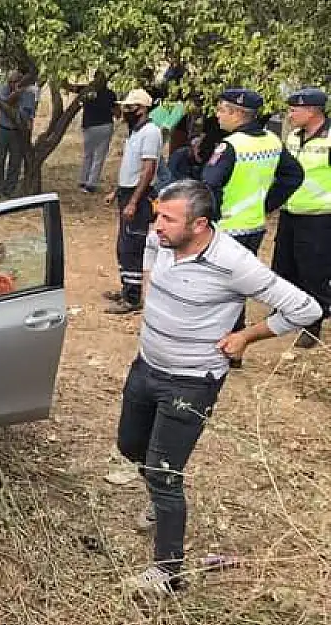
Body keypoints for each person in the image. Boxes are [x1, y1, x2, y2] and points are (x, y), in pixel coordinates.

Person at [117, 179, 321, 598]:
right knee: (130, 446)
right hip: (147, 367)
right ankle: (158, 501)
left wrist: (247, 336)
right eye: (158, 215)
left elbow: (307, 308)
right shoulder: (163, 241)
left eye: (168, 219)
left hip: (191, 382)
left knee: (164, 472)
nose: (157, 226)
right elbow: (157, 271)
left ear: (200, 224)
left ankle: (168, 573)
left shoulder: (233, 262)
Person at [201, 88, 304, 360]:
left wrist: (210, 217)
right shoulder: (271, 140)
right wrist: (266, 205)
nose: (218, 115)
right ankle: (234, 346)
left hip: (226, 227)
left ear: (237, 113)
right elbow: (293, 175)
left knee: (215, 285)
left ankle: (220, 344)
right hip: (254, 226)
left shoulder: (231, 145)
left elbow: (209, 184)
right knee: (238, 285)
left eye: (222, 109)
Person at [272, 87, 331, 348]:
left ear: (311, 111)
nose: (290, 114)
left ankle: (313, 323)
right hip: (290, 212)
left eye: (294, 110)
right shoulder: (294, 136)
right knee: (284, 266)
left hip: (319, 217)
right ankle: (286, 312)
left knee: (313, 271)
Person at [103, 88, 163, 315]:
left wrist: (134, 201)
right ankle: (127, 287)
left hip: (139, 195)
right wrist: (117, 192)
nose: (125, 110)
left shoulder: (150, 132)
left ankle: (133, 297)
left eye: (130, 107)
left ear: (142, 109)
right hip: (128, 193)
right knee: (123, 245)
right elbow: (132, 167)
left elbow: (148, 170)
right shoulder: (136, 131)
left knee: (132, 246)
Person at [0, 70, 37, 199]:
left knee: (15, 162)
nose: (12, 84)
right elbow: (7, 102)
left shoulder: (29, 94)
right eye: (10, 82)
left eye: (15, 81)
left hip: (18, 132)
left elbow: (28, 115)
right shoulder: (3, 89)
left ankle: (9, 189)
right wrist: (16, 93)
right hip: (3, 129)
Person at [74, 70, 119, 193]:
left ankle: (83, 180)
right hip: (104, 126)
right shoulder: (110, 94)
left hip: (89, 127)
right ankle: (91, 183)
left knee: (88, 154)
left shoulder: (87, 91)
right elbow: (117, 112)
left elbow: (69, 86)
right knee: (99, 156)